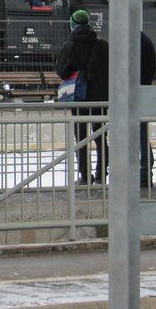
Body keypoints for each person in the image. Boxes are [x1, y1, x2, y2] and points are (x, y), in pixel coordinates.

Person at [55, 10, 109, 185]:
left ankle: (85, 176)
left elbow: (61, 71)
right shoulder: (103, 45)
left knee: (82, 137)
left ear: (72, 24)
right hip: (100, 98)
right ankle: (101, 174)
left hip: (78, 98)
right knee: (100, 135)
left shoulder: (69, 46)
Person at [140, 31, 156, 188]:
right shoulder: (145, 40)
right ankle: (144, 173)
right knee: (140, 133)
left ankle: (144, 173)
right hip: (142, 90)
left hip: (134, 94)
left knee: (139, 134)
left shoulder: (134, 40)